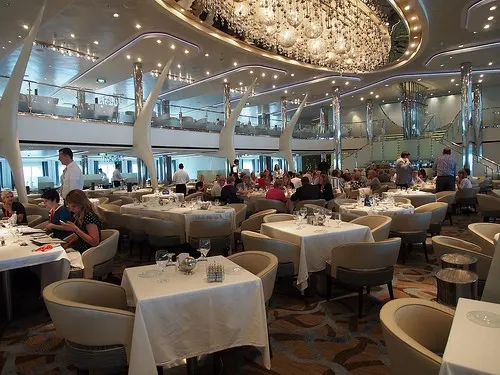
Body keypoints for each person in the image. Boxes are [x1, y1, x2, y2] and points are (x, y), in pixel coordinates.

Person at [60, 189, 102, 253]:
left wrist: (76, 229)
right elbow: (81, 235)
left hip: (89, 252)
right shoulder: (79, 215)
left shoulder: (89, 216)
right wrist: (67, 244)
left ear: (82, 204)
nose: (71, 209)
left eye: (74, 206)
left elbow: (94, 242)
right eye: (69, 206)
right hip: (81, 248)